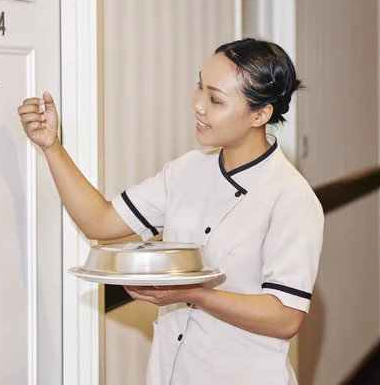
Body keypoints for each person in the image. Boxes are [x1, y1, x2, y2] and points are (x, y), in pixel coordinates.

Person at [18, 38, 324, 385]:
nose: (198, 105)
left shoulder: (291, 196)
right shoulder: (187, 170)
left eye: (215, 99)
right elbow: (100, 221)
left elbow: (286, 317)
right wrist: (52, 148)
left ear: (260, 114)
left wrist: (194, 294)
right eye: (199, 86)